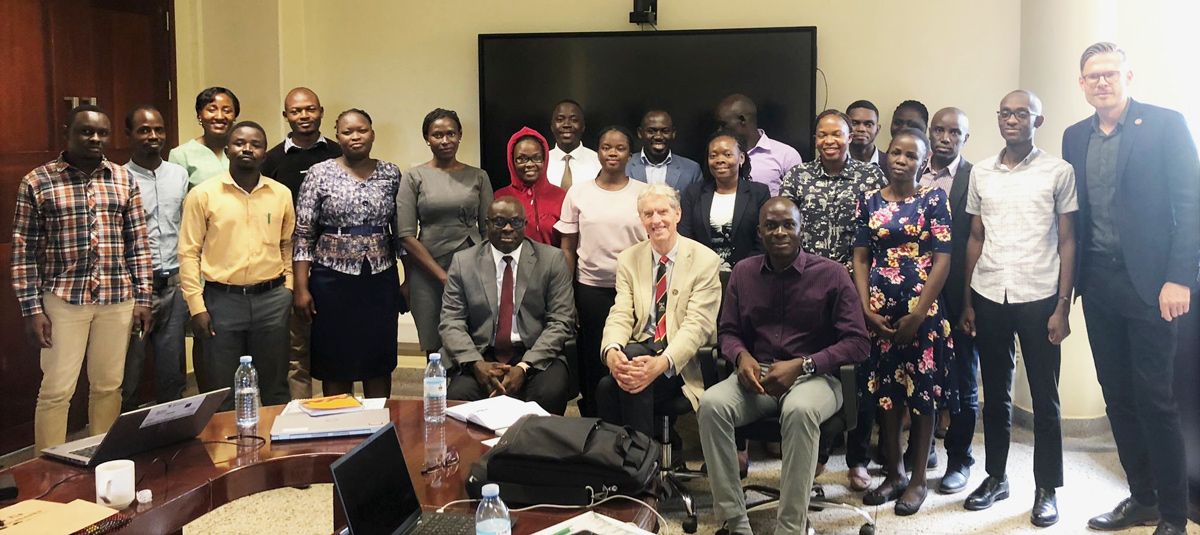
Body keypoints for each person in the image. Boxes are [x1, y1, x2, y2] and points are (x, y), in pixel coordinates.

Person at [1063, 43, 1198, 535]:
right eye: (1092, 76)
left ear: (1128, 76)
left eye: (1110, 74)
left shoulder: (1166, 124)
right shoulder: (1074, 136)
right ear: (1081, 84)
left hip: (1154, 286)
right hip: (1098, 284)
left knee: (1156, 399)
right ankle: (1141, 497)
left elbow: (1190, 205)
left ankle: (1173, 514)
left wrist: (1179, 276)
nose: (1102, 82)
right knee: (1116, 396)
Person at [699, 197, 870, 535]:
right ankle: (735, 521)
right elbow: (729, 332)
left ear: (801, 229)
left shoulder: (832, 274)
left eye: (788, 224)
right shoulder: (743, 273)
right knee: (711, 405)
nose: (780, 232)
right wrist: (741, 357)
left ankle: (790, 527)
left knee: (799, 411)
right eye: (771, 226)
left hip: (816, 379)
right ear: (759, 232)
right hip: (757, 376)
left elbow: (858, 343)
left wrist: (804, 365)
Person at [959, 90, 1076, 527]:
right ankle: (995, 477)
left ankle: (1047, 488)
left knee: (1045, 399)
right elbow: (975, 236)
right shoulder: (982, 173)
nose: (1012, 120)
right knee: (995, 394)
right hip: (990, 294)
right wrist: (968, 299)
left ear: (1037, 122)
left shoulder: (1058, 172)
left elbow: (1067, 241)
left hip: (1040, 295)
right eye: (1005, 113)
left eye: (1021, 114)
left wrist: (1063, 306)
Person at [11, 105, 153, 453]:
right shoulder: (37, 181)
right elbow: (23, 251)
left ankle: (101, 459)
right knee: (57, 390)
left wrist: (144, 298)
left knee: (108, 386)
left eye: (102, 133)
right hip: (62, 301)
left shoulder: (123, 179)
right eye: (86, 132)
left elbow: (138, 243)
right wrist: (32, 309)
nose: (95, 139)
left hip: (117, 298)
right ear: (67, 133)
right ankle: (47, 469)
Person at [852, 128, 957, 515]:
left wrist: (918, 313)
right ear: (886, 155)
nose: (901, 160)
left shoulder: (934, 200)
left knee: (922, 395)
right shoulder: (867, 201)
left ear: (922, 161)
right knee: (886, 393)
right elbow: (861, 256)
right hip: (878, 311)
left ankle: (916, 481)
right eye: (896, 152)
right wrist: (865, 309)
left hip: (922, 313)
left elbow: (943, 259)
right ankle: (893, 473)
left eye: (911, 156)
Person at [179, 121, 294, 411]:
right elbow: (189, 252)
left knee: (275, 387)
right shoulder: (203, 195)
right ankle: (226, 454)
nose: (247, 149)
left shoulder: (281, 194)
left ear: (265, 154)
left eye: (255, 144)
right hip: (222, 302)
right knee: (223, 391)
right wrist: (197, 306)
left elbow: (287, 244)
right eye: (240, 143)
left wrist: (288, 289)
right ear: (228, 150)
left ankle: (274, 451)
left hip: (272, 300)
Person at [293, 109, 405, 399]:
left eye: (362, 130)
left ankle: (379, 425)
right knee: (335, 359)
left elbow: (401, 232)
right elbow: (304, 233)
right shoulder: (319, 173)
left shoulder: (391, 173)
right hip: (331, 278)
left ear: (372, 133)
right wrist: (301, 288)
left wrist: (409, 280)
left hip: (380, 277)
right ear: (338, 136)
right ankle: (339, 426)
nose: (355, 137)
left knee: (378, 358)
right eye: (347, 132)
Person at [596, 184, 721, 436]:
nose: (657, 220)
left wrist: (662, 363)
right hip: (640, 350)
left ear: (677, 214)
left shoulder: (705, 260)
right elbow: (620, 312)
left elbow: (697, 327)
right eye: (648, 214)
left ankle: (636, 466)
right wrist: (611, 351)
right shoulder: (628, 259)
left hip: (682, 363)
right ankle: (639, 463)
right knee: (614, 378)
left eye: (663, 212)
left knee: (612, 387)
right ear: (641, 219)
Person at [440, 197, 574, 415]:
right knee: (459, 397)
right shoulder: (464, 262)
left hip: (534, 353)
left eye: (516, 222)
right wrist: (476, 363)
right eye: (499, 222)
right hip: (482, 353)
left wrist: (524, 367)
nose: (508, 229)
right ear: (487, 224)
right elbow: (451, 321)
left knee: (550, 392)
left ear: (525, 224)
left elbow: (561, 321)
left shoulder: (551, 259)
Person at [554, 126, 648, 417]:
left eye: (620, 148)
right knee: (595, 357)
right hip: (591, 288)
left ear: (629, 155)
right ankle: (595, 418)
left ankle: (631, 416)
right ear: (598, 152)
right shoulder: (578, 193)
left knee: (632, 355)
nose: (612, 153)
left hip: (634, 289)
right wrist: (568, 293)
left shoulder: (644, 193)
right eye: (607, 147)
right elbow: (567, 247)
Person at [261, 87, 343, 401]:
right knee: (296, 347)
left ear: (321, 112)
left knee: (335, 342)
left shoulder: (338, 153)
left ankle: (337, 407)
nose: (303, 116)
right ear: (286, 116)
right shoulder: (271, 160)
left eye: (310, 109)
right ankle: (301, 411)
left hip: (334, 264)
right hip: (289, 263)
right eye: (296, 111)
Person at [917, 108, 981, 495]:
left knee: (962, 379)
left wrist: (971, 301)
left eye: (954, 132)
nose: (945, 137)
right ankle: (920, 451)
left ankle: (960, 458)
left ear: (965, 138)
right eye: (938, 130)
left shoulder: (978, 176)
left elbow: (977, 240)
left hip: (960, 293)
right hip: (911, 290)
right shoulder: (910, 169)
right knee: (918, 374)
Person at [396, 109, 493, 356]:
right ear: (427, 138)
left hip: (472, 267)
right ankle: (436, 395)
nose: (445, 140)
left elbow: (488, 230)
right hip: (427, 270)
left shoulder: (478, 176)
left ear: (460, 135)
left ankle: (469, 395)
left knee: (473, 342)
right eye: (437, 135)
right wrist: (442, 276)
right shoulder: (413, 177)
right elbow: (406, 234)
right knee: (435, 346)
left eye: (451, 133)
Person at [120, 105, 190, 411]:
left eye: (158, 130)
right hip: (135, 291)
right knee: (127, 375)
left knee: (172, 374)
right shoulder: (119, 178)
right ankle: (120, 447)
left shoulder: (179, 174)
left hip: (174, 286)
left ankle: (171, 447)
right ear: (129, 135)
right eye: (144, 130)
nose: (152, 136)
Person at [779, 109, 887, 268]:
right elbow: (784, 224)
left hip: (856, 272)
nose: (829, 141)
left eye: (837, 134)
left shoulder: (871, 176)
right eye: (823, 135)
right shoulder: (797, 176)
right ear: (816, 140)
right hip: (807, 271)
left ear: (849, 137)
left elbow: (883, 224)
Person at [679, 130, 770, 271]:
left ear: (741, 158)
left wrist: (744, 270)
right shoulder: (693, 193)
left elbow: (763, 239)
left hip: (749, 275)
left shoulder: (759, 193)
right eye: (713, 156)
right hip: (701, 277)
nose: (720, 160)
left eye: (728, 155)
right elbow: (685, 238)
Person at [715, 94, 803, 196]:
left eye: (723, 125)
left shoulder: (786, 155)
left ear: (742, 120)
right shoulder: (718, 159)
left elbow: (798, 199)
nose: (719, 131)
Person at [494, 127, 566, 246]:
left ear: (545, 159)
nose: (530, 164)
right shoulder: (500, 197)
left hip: (552, 263)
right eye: (522, 159)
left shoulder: (562, 197)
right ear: (512, 161)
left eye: (536, 158)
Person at [169, 86, 239, 189]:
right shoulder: (181, 155)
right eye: (212, 110)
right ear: (199, 115)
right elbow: (176, 199)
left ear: (234, 117)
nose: (219, 116)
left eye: (227, 111)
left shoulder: (242, 151)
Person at [626, 110, 703, 193]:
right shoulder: (624, 166)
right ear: (640, 133)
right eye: (651, 131)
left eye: (665, 131)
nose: (658, 136)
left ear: (673, 133)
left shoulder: (691, 170)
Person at [545, 100, 601, 190]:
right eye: (560, 119)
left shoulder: (598, 162)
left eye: (574, 120)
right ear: (552, 126)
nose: (566, 125)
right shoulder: (541, 163)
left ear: (583, 126)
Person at [847, 100, 886, 167]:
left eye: (868, 124)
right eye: (855, 123)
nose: (861, 129)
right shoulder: (833, 161)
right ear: (845, 126)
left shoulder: (890, 164)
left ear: (877, 129)